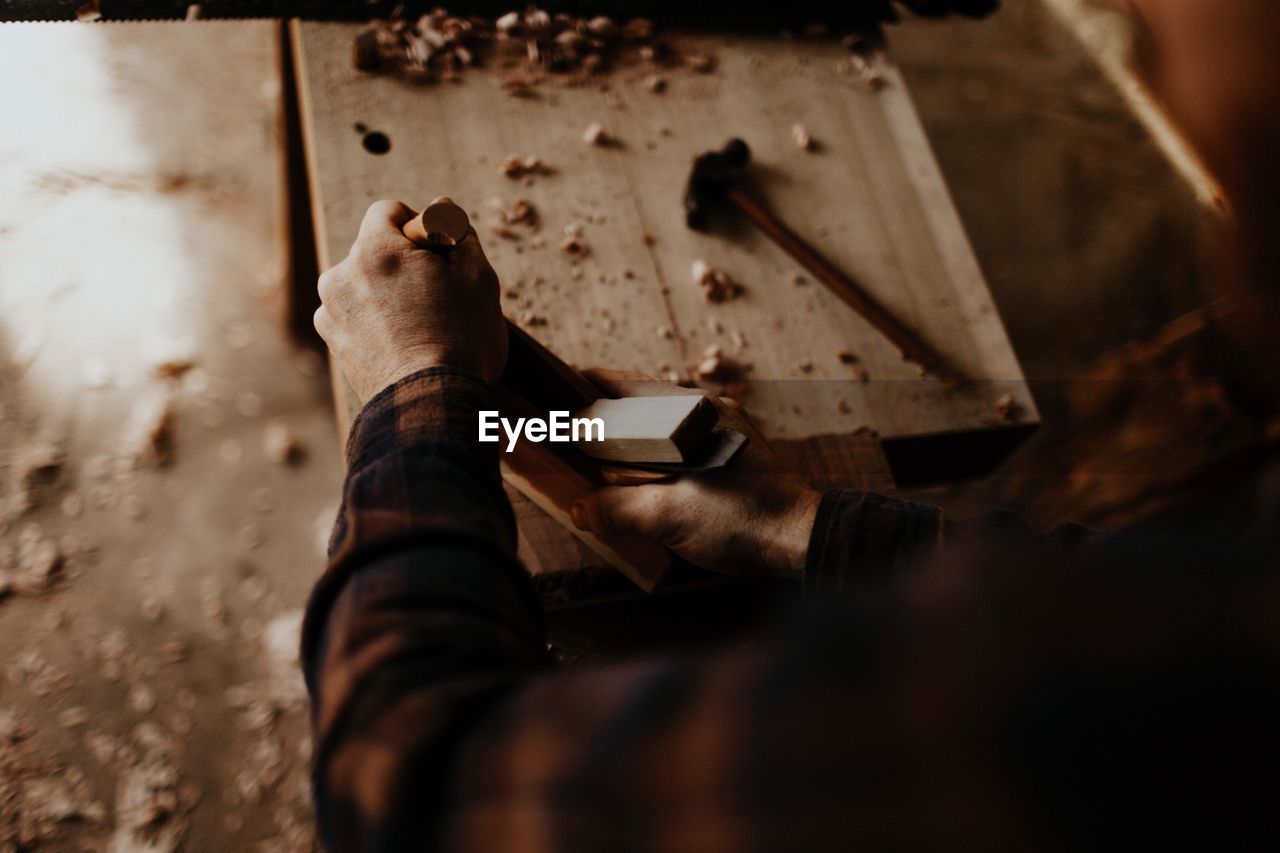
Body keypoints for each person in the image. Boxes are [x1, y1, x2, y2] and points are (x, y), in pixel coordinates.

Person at [303, 3, 1280, 851]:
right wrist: (798, 521)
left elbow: (411, 796)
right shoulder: (1214, 599)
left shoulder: (1043, 703)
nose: (1146, 34)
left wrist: (415, 388)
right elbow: (1107, 604)